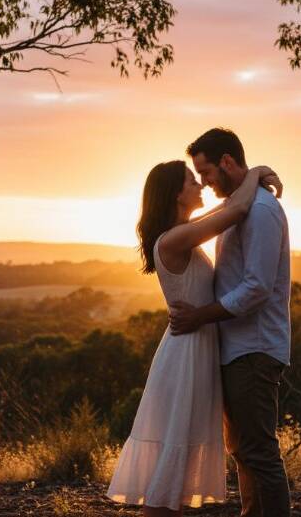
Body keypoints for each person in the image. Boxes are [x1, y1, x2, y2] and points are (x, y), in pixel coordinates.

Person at [106, 152, 282, 516]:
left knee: (179, 465)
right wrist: (259, 172)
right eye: (191, 181)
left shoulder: (183, 233)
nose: (200, 184)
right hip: (185, 354)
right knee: (172, 463)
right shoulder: (174, 239)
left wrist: (249, 179)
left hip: (197, 348)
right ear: (175, 194)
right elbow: (234, 212)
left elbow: (226, 211)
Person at [170, 128, 292, 517]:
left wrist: (200, 316)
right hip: (235, 349)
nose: (203, 182)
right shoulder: (239, 208)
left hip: (254, 349)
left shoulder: (261, 210)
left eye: (204, 172)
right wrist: (255, 172)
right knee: (243, 453)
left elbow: (256, 288)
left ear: (225, 162)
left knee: (259, 451)